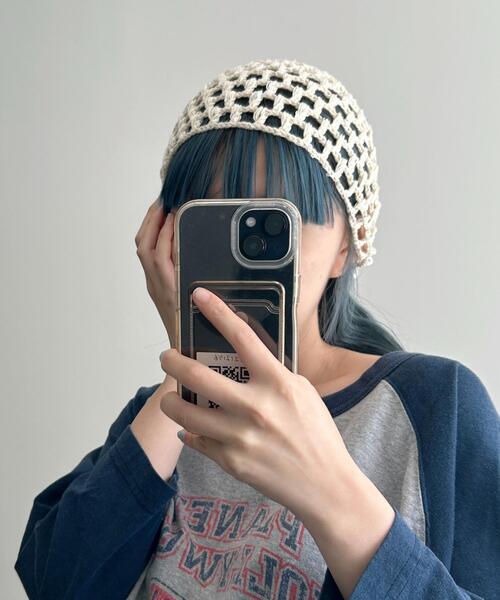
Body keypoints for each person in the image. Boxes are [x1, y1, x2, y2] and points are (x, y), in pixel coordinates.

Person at [15, 59, 499, 599]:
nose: (243, 262)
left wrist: (330, 491)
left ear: (346, 244)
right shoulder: (161, 416)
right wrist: (190, 365)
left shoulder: (434, 406)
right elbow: (56, 583)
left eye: (277, 222)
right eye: (212, 218)